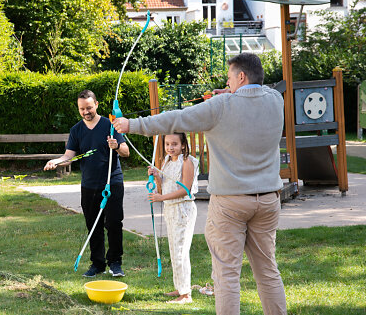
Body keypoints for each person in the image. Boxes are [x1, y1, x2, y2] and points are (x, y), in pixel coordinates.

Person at [113, 53, 287, 314]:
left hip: (230, 203)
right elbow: (252, 98)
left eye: (230, 78)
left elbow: (175, 119)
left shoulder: (220, 106)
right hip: (269, 200)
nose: (227, 83)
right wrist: (229, 94)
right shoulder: (276, 100)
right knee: (267, 271)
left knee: (226, 275)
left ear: (241, 76)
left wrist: (131, 124)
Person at [44, 89, 130, 277]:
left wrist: (115, 146)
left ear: (96, 105)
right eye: (82, 109)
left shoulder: (110, 125)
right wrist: (56, 162)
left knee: (114, 223)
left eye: (89, 107)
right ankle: (97, 264)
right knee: (93, 225)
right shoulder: (76, 130)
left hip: (112, 182)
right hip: (89, 185)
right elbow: (69, 156)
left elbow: (126, 151)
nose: (86, 112)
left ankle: (115, 263)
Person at [148, 133, 199, 304]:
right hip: (170, 209)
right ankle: (180, 287)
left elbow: (185, 189)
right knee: (174, 249)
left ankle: (186, 295)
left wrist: (161, 198)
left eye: (175, 144)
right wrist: (156, 176)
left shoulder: (187, 161)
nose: (170, 147)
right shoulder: (168, 161)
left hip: (183, 209)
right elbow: (162, 188)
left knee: (181, 252)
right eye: (168, 144)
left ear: (183, 145)